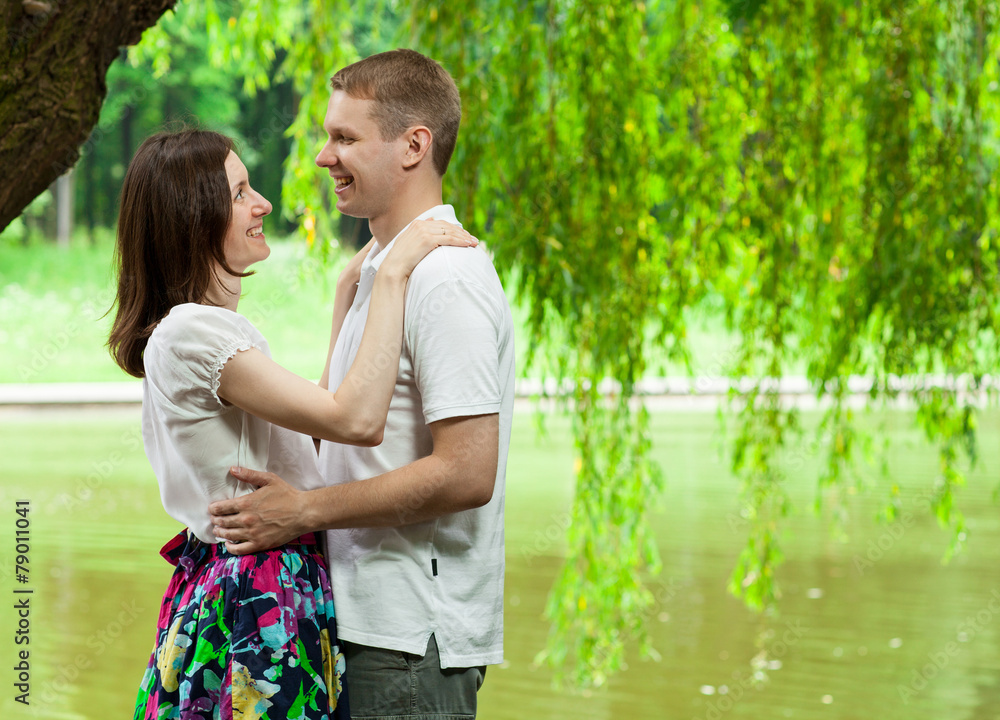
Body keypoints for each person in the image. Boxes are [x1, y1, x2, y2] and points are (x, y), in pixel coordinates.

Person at [108, 128, 477, 720]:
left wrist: (344, 296)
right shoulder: (192, 335)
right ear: (191, 215)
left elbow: (316, 432)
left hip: (263, 578)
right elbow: (355, 420)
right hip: (259, 588)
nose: (263, 205)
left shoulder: (205, 331)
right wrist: (391, 277)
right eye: (239, 192)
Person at [208, 49, 515, 719]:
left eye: (345, 138)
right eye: (327, 135)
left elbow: (468, 473)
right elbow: (340, 428)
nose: (323, 156)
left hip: (406, 644)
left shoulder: (445, 279)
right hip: (352, 629)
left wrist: (306, 511)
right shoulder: (382, 269)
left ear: (414, 146)